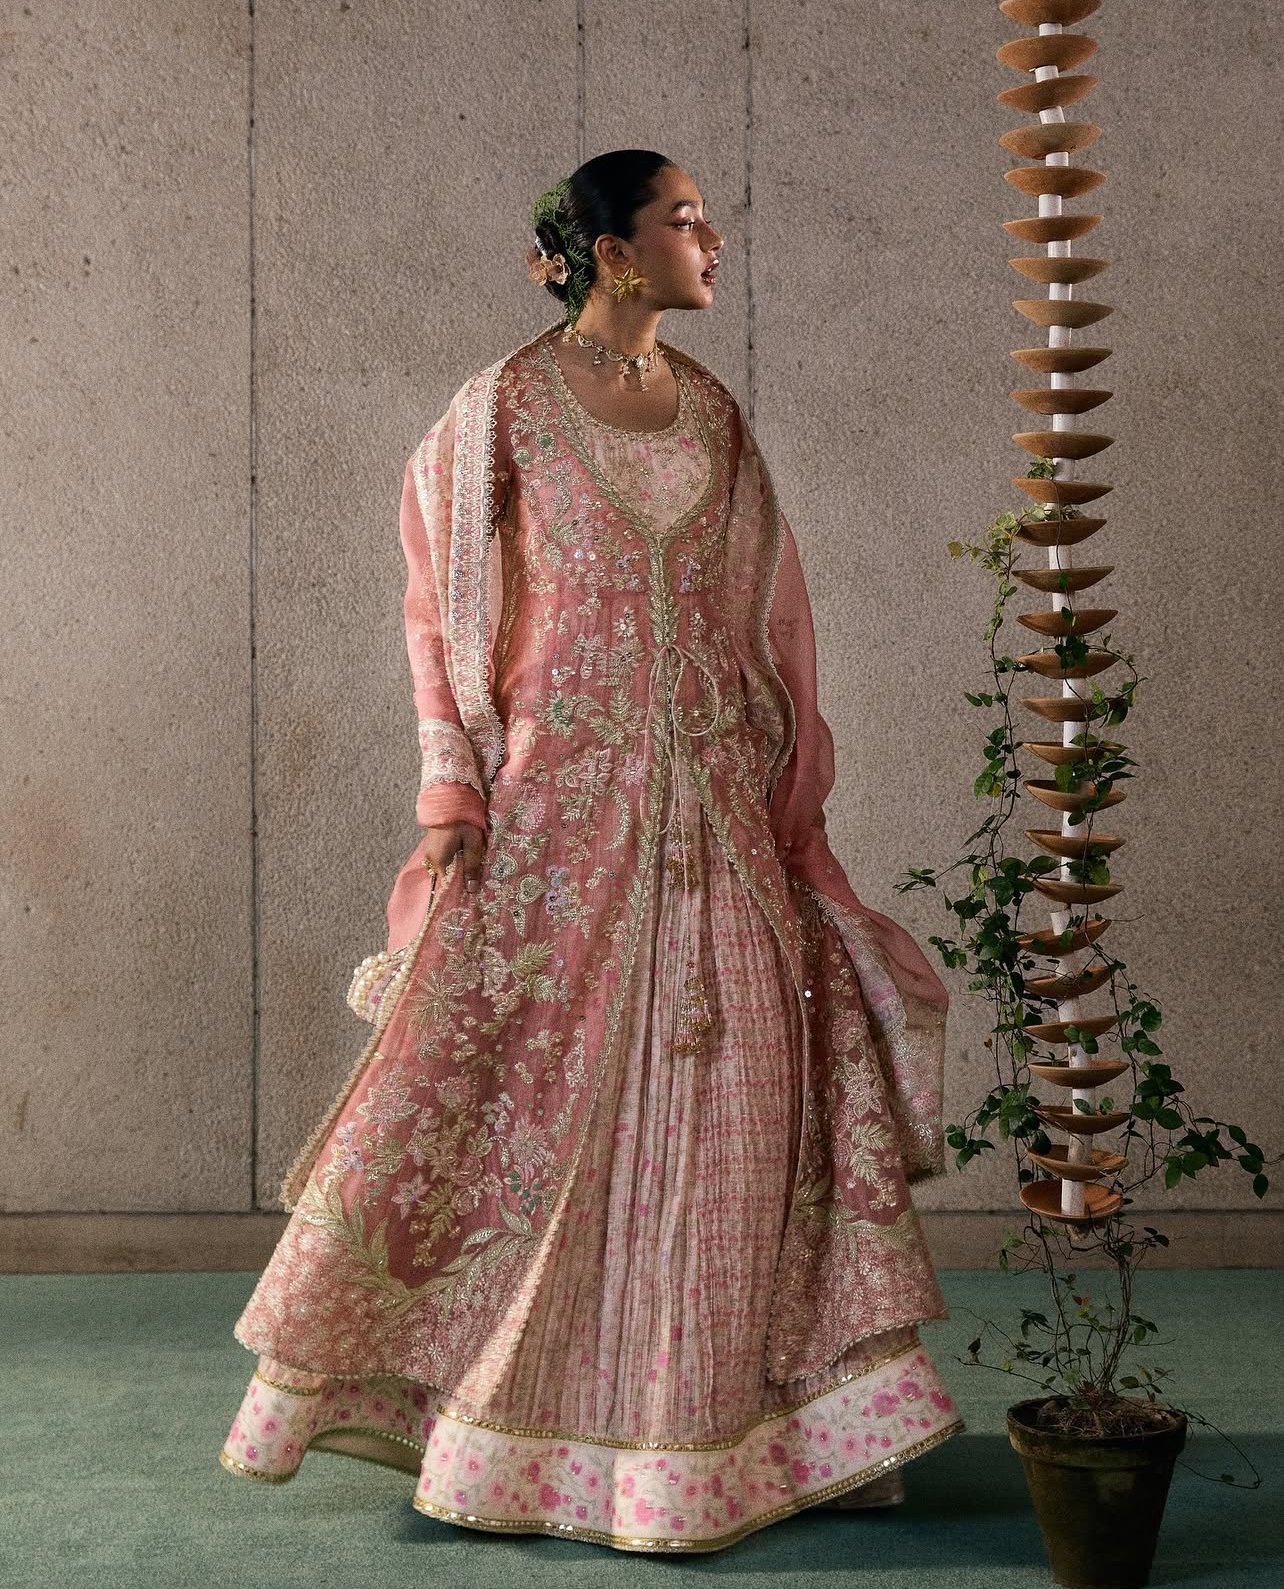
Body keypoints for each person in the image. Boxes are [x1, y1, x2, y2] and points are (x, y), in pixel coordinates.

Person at [220, 149, 963, 1553]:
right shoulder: (498, 409)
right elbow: (438, 610)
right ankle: (506, 1433)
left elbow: (771, 615)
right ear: (614, 251)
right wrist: (452, 789)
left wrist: (785, 786)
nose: (712, 237)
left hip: (720, 814)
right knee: (524, 1107)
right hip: (561, 813)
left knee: (740, 1100)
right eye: (684, 219)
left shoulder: (717, 413)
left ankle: (724, 1442)